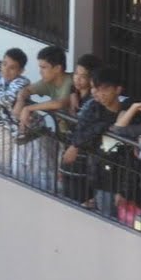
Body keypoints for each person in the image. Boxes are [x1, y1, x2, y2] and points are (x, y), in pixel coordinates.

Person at [60, 66, 123, 210]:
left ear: (118, 90)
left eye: (103, 89)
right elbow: (81, 128)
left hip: (115, 178)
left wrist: (75, 145)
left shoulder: (126, 110)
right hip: (95, 173)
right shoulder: (93, 107)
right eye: (95, 88)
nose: (97, 93)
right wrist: (75, 145)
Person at [13, 46, 74, 188]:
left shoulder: (69, 82)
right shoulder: (48, 82)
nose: (40, 71)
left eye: (44, 67)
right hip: (62, 136)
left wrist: (28, 108)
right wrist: (21, 101)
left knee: (67, 180)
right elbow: (26, 90)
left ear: (58, 68)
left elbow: (61, 103)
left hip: (74, 140)